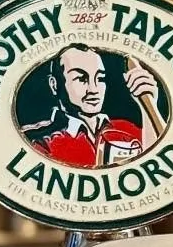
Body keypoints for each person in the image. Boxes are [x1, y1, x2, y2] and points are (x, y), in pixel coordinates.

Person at [23, 44, 162, 168]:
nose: (94, 89)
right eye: (81, 79)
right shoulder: (36, 139)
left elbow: (161, 162)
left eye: (100, 78)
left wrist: (148, 106)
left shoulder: (127, 129)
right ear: (54, 84)